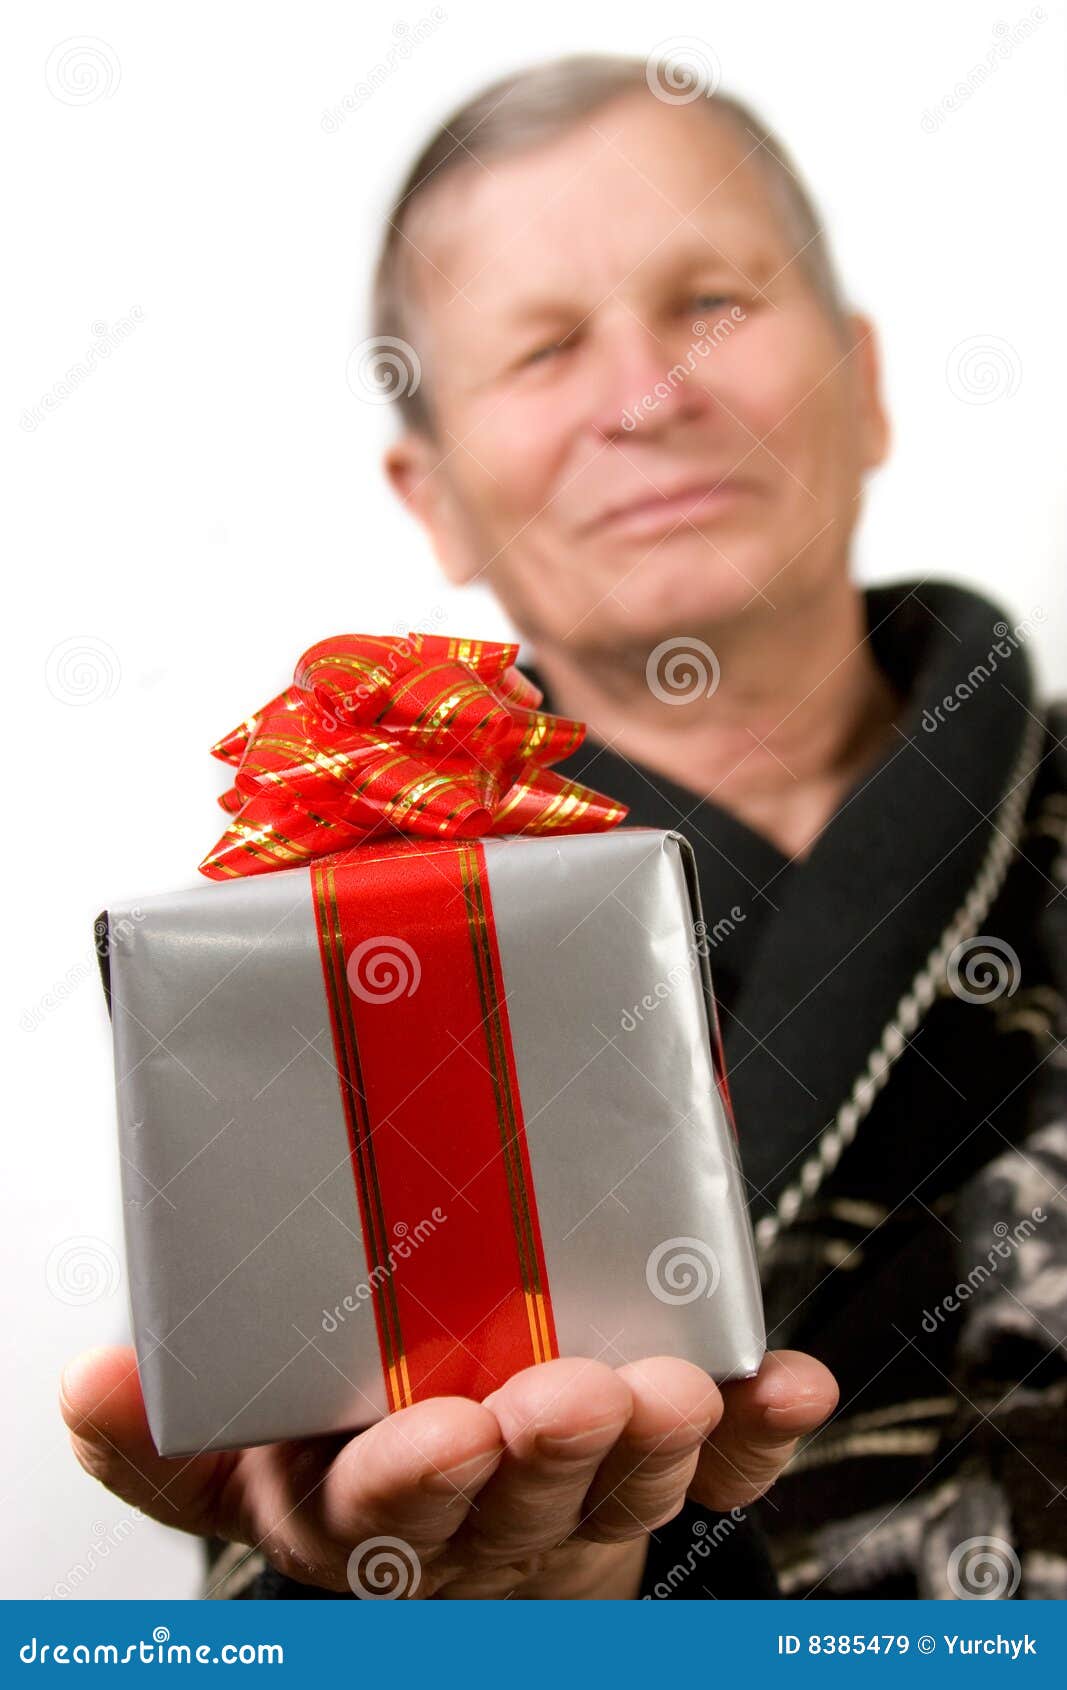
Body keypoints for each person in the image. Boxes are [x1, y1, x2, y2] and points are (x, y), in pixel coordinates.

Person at [64, 53, 1066, 1600]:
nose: (648, 396)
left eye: (713, 302)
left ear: (863, 384)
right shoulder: (348, 966)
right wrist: (487, 1616)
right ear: (437, 499)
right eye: (540, 351)